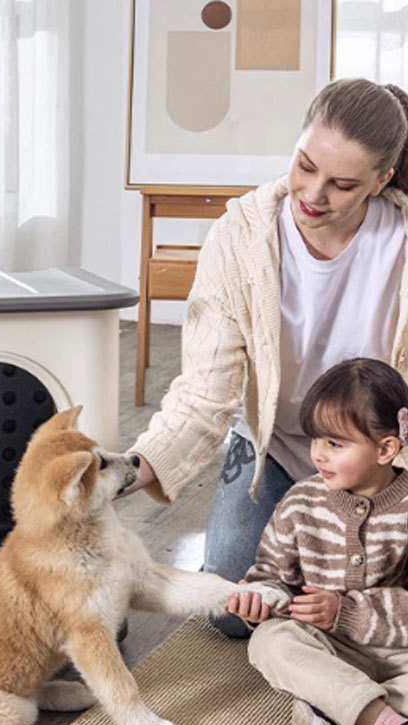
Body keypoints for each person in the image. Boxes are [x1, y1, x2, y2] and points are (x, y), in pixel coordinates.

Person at [125, 78, 408, 637]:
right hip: (273, 448)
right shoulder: (241, 237)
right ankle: (342, 594)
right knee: (231, 613)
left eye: (342, 184)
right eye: (305, 164)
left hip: (384, 457)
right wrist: (123, 473)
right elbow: (206, 393)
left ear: (382, 181)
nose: (313, 194)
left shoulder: (399, 242)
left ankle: (343, 595)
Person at [227, 358, 408, 725]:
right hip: (324, 648)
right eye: (316, 440)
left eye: (335, 444)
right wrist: (260, 600)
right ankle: (384, 722)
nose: (318, 455)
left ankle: (333, 711)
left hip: (399, 646)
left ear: (386, 448)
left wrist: (346, 612)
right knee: (270, 642)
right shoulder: (300, 502)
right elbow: (271, 574)